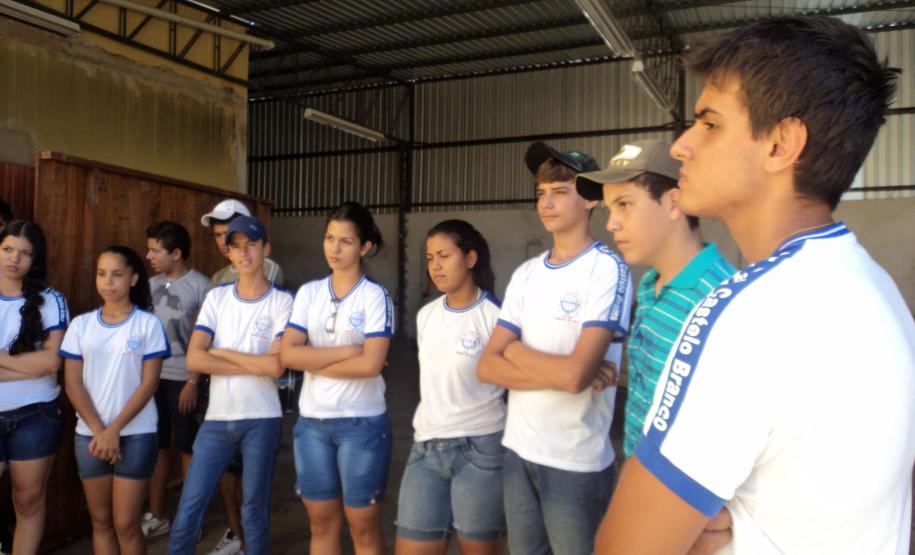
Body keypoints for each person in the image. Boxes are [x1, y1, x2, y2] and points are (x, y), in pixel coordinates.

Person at [596, 16, 915, 555]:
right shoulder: (876, 289)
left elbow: (624, 548)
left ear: (781, 145)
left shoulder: (746, 318)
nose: (682, 146)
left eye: (710, 123)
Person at [477, 143, 632, 555]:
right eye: (541, 192)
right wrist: (564, 373)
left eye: (560, 191)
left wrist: (517, 351)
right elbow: (486, 368)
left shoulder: (607, 269)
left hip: (574, 462)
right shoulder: (527, 274)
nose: (546, 203)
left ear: (591, 199)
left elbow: (574, 376)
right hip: (518, 451)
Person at [576, 140, 735, 458]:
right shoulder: (649, 286)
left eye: (625, 204)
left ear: (674, 202)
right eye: (610, 209)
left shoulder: (720, 300)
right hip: (641, 478)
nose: (611, 223)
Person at [169, 216, 292, 555]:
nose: (243, 252)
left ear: (265, 249)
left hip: (262, 418)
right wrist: (252, 361)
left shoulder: (283, 302)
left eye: (250, 244)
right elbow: (194, 360)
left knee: (254, 510)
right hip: (217, 419)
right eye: (235, 246)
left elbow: (276, 366)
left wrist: (220, 352)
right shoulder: (218, 298)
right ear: (229, 253)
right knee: (188, 509)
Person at [281, 201, 394, 555]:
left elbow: (371, 366)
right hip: (312, 423)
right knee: (321, 524)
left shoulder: (375, 296)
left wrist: (309, 359)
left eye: (346, 241)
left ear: (364, 247)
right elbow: (287, 355)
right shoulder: (309, 293)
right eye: (330, 238)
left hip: (361, 423)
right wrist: (348, 352)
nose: (335, 248)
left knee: (362, 528)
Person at [395, 220, 506, 555]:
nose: (436, 266)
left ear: (470, 258)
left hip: (480, 449)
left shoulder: (494, 316)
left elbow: (516, 373)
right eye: (430, 258)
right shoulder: (426, 315)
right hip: (426, 448)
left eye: (444, 255)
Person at [62, 246, 170, 555]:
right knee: (101, 521)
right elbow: (73, 384)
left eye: (117, 274)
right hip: (90, 437)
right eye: (101, 273)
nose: (108, 281)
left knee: (126, 523)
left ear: (134, 278)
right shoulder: (81, 325)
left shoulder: (147, 324)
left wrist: (114, 430)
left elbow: (149, 384)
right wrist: (100, 431)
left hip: (136, 435)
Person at [199, 198, 285, 555]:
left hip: (257, 404)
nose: (226, 243)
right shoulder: (218, 281)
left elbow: (272, 363)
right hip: (221, 397)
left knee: (254, 491)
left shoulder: (271, 273)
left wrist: (219, 353)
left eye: (231, 233)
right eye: (220, 235)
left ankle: (248, 539)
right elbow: (198, 353)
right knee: (226, 478)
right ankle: (235, 534)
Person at [0, 221, 68, 555]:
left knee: (27, 501)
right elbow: (38, 364)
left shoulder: (51, 299)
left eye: (25, 253)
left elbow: (52, 363)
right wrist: (25, 365)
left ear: (35, 259)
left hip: (35, 412)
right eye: (8, 249)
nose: (15, 259)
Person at [141, 221, 209, 538]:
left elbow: (205, 339)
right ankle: (157, 515)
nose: (149, 255)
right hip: (152, 379)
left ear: (176, 253)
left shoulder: (201, 286)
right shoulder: (149, 284)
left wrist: (193, 381)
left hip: (184, 379)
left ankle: (188, 520)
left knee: (187, 448)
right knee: (156, 447)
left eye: (156, 250)